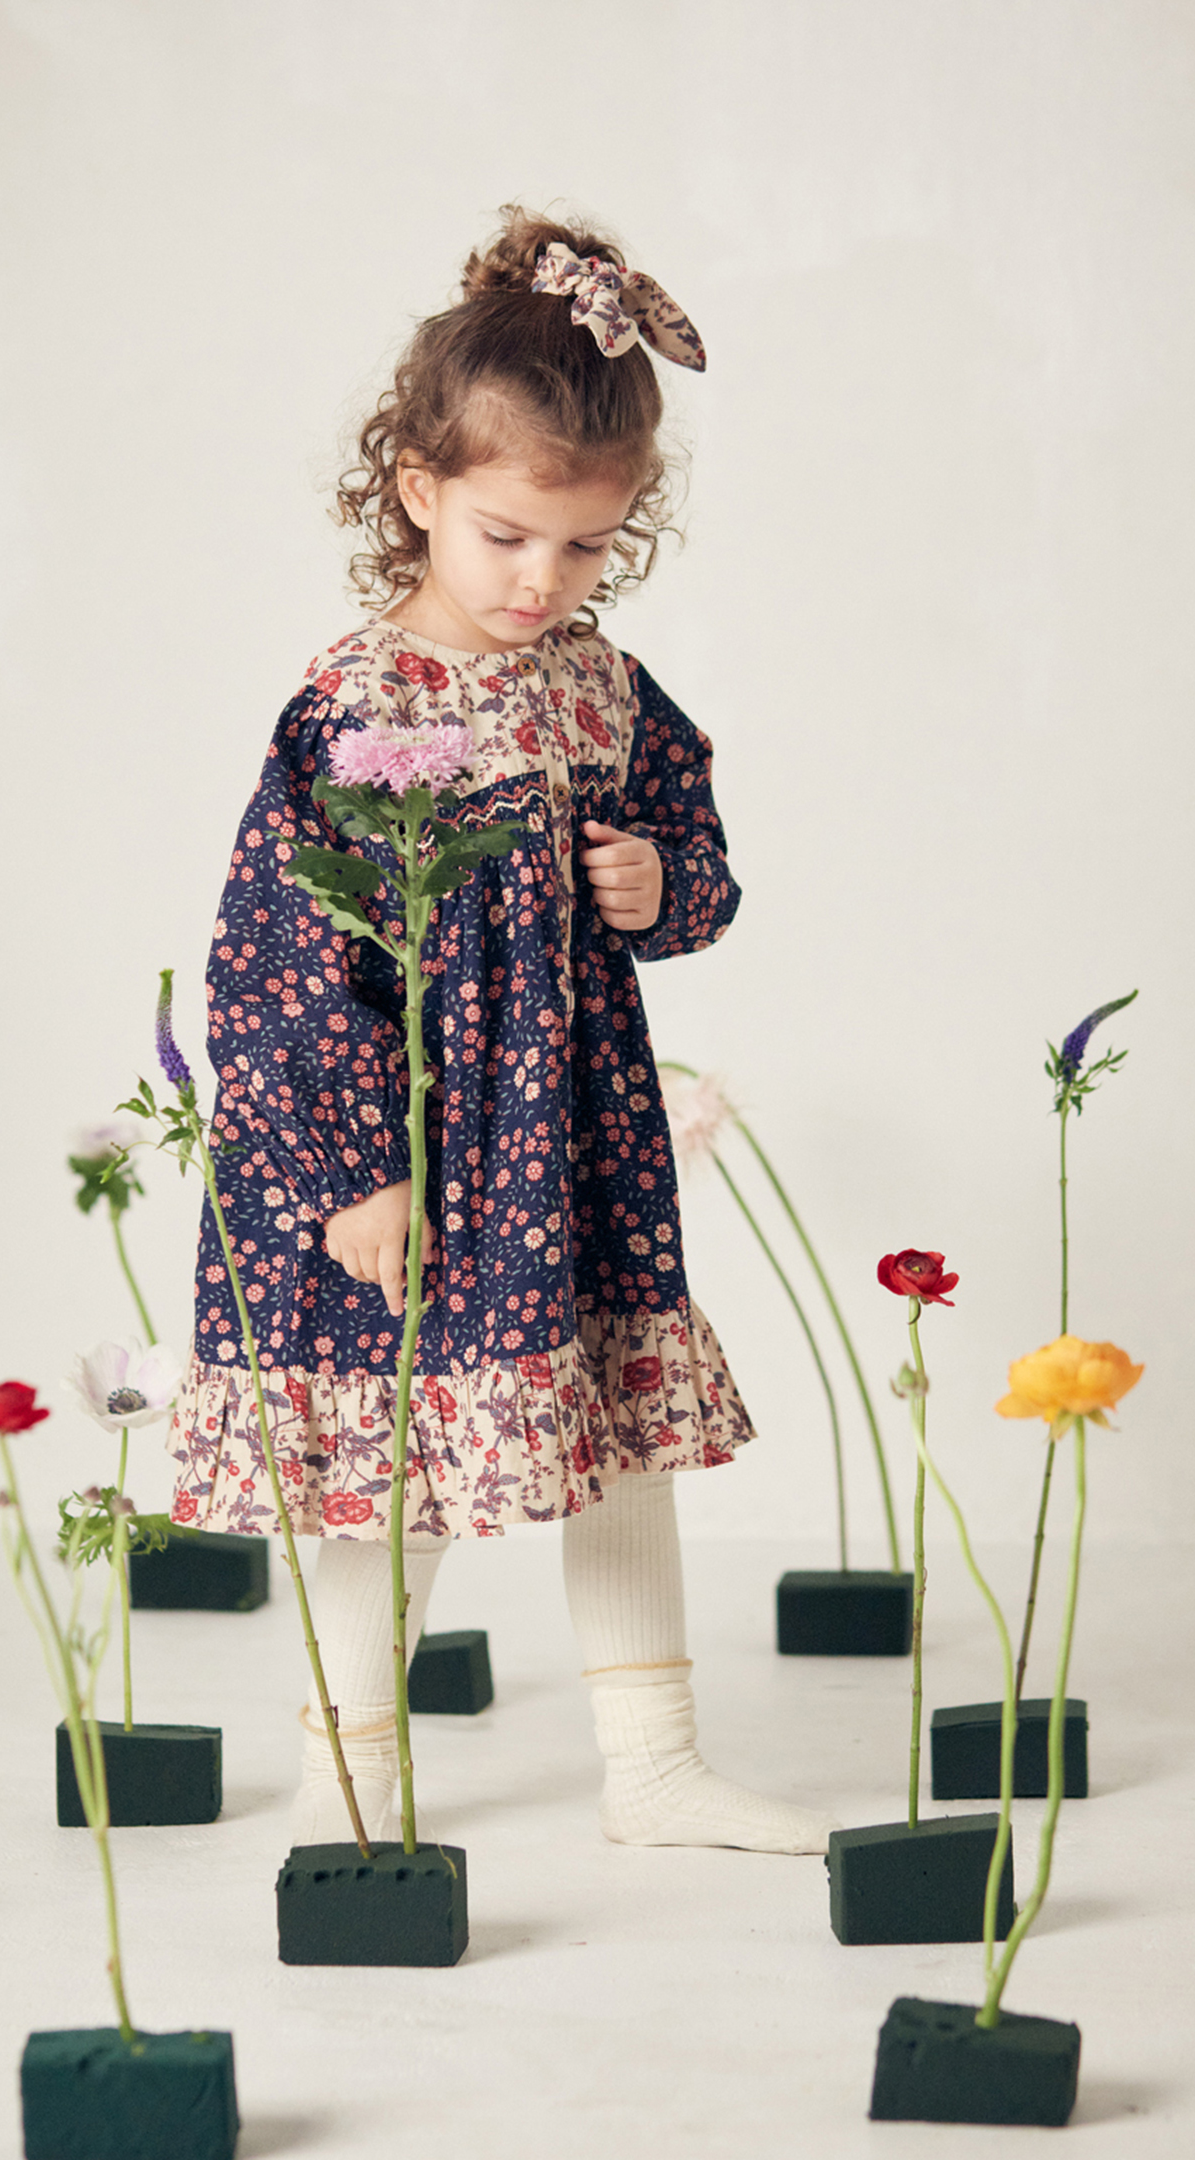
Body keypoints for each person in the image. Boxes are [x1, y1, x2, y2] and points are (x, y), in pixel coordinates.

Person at [168, 206, 833, 1856]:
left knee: (618, 1438)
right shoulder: (358, 705)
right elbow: (276, 957)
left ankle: (654, 1765)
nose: (545, 581)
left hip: (565, 1139)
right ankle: (348, 1779)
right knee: (389, 1456)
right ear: (417, 491)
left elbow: (695, 858)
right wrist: (352, 1171)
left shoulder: (602, 692)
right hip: (402, 1153)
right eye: (508, 536)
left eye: (586, 548)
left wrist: (657, 882)